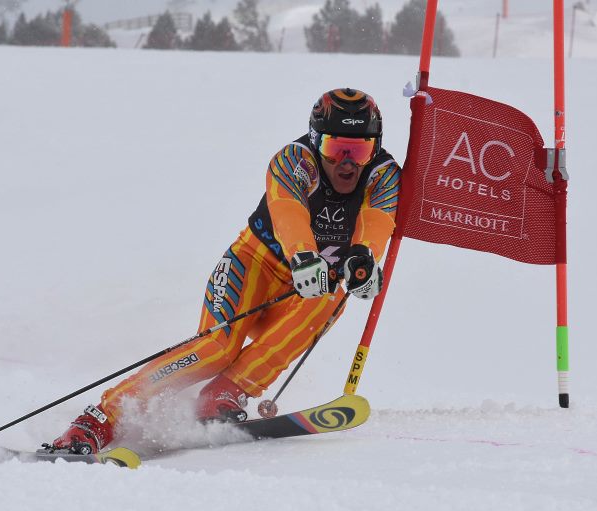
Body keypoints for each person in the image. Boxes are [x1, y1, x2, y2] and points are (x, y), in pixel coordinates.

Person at [51, 88, 401, 454]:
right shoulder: (294, 161)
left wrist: (362, 258)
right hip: (255, 265)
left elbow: (376, 221)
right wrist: (303, 255)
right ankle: (100, 419)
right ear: (316, 142)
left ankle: (223, 395)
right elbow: (288, 211)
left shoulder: (382, 175)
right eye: (336, 149)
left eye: (359, 150)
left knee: (331, 298)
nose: (348, 163)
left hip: (308, 287)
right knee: (216, 348)